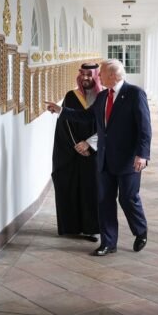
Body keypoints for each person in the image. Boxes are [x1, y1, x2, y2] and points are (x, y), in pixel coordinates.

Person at [45, 59, 151, 256]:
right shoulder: (103, 96)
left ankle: (140, 231)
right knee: (104, 200)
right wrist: (60, 110)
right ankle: (108, 243)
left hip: (128, 160)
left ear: (113, 75)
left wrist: (142, 155)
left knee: (128, 198)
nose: (98, 76)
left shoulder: (135, 94)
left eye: (101, 73)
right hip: (104, 159)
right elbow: (86, 116)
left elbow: (145, 129)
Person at [51, 63, 104, 242]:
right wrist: (76, 145)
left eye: (89, 75)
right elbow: (65, 123)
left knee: (92, 189)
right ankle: (71, 226)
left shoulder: (104, 96)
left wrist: (89, 144)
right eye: (82, 74)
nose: (85, 78)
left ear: (96, 76)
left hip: (95, 152)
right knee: (70, 186)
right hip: (72, 152)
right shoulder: (71, 96)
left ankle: (91, 228)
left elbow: (108, 126)